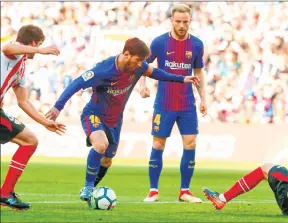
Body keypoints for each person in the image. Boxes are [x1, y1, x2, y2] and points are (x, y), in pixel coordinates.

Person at [45, 37, 200, 206]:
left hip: (115, 121)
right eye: (138, 59)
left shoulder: (138, 67)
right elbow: (76, 84)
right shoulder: (103, 70)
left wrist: (182, 79)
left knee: (107, 161)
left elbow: (155, 72)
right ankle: (88, 187)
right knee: (100, 144)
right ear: (126, 54)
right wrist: (57, 107)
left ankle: (90, 191)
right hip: (94, 114)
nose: (141, 63)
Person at [139, 3, 207, 203]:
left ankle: (184, 191)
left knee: (191, 143)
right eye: (178, 21)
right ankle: (153, 190)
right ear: (171, 20)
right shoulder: (160, 42)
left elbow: (199, 73)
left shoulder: (196, 44)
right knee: (159, 143)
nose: (181, 25)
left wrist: (203, 98)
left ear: (190, 21)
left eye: (185, 22)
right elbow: (143, 65)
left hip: (187, 104)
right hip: (164, 103)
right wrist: (142, 84)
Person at [0, 25, 66, 210]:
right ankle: (5, 193)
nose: (38, 50)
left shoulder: (21, 68)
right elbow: (7, 48)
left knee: (30, 141)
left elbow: (23, 101)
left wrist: (46, 123)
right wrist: (40, 50)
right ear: (33, 43)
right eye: (39, 44)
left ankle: (5, 193)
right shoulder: (14, 51)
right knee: (29, 141)